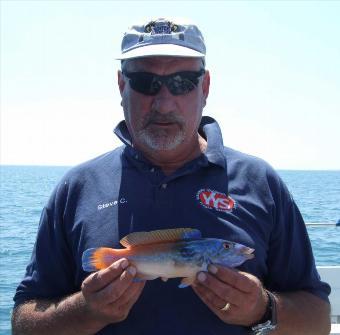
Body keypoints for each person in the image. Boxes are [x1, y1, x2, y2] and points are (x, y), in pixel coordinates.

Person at [12, 18, 331, 335]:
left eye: (182, 82)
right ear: (122, 86)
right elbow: (23, 322)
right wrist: (86, 311)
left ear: (204, 87)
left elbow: (318, 319)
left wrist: (263, 309)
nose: (163, 103)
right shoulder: (76, 188)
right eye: (145, 82)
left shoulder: (262, 182)